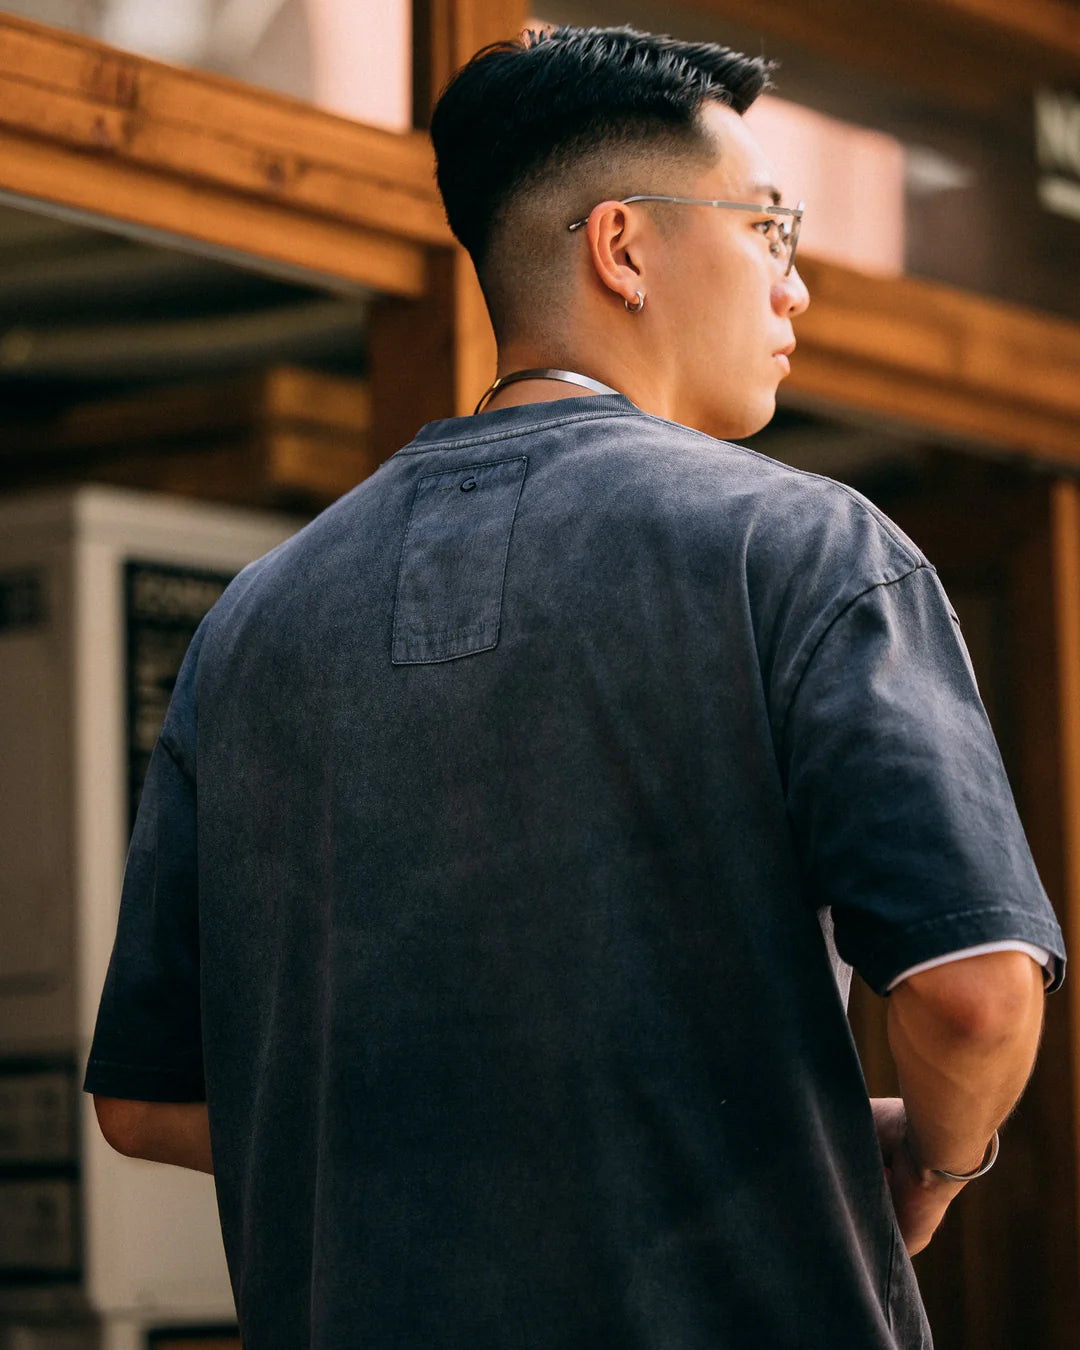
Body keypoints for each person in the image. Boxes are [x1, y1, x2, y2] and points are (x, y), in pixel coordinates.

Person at [86, 24, 1065, 1349]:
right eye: (770, 230)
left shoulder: (252, 623)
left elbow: (145, 1099)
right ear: (623, 247)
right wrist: (935, 1161)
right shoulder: (805, 550)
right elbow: (975, 994)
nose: (797, 289)